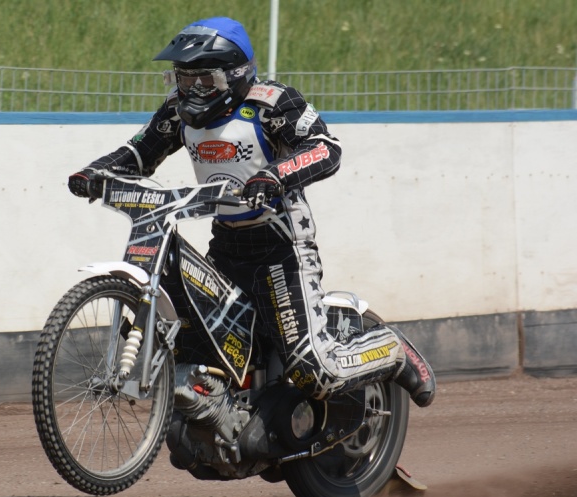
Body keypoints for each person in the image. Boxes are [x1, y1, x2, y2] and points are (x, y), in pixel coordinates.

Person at [68, 17, 435, 407]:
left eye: (205, 80)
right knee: (205, 348)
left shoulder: (271, 103)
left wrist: (273, 176)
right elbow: (139, 152)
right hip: (226, 247)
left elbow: (326, 147)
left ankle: (390, 348)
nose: (192, 90)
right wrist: (94, 173)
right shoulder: (176, 111)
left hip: (280, 247)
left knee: (313, 372)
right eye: (184, 79)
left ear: (235, 74)